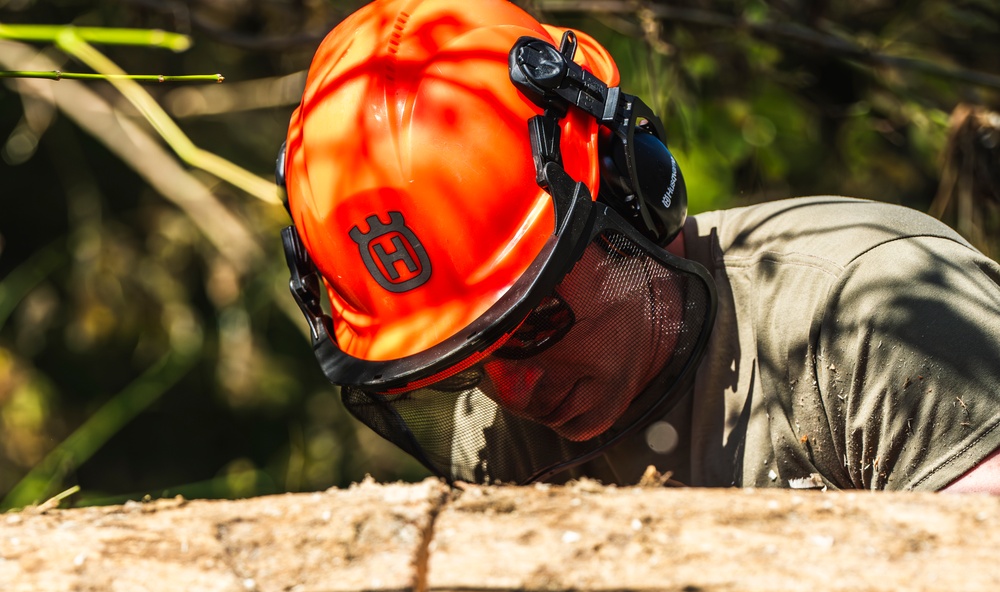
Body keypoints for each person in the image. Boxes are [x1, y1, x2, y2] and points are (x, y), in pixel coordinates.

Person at [278, 0, 1000, 494]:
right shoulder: (494, 439)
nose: (513, 392)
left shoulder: (877, 319)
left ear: (631, 189)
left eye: (533, 325)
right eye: (466, 367)